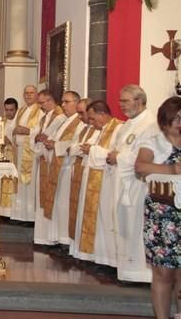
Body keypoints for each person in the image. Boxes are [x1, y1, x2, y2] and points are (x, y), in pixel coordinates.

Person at [134, 97, 181, 319]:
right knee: (164, 271)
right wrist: (172, 169)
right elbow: (141, 166)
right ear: (164, 121)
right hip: (163, 215)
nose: (180, 122)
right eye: (176, 118)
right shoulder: (153, 142)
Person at [111, 85, 157, 283]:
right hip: (124, 182)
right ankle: (128, 270)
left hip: (139, 185)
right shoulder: (128, 124)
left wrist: (118, 157)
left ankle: (142, 273)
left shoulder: (150, 124)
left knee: (137, 226)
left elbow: (147, 156)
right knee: (125, 226)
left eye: (125, 101)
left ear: (139, 101)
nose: (121, 105)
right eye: (121, 101)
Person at [72, 100, 122, 266]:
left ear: (102, 114)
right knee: (98, 222)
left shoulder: (119, 128)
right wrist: (89, 149)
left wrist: (92, 150)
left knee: (106, 221)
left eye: (93, 118)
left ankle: (109, 260)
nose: (91, 122)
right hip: (94, 179)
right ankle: (97, 257)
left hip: (107, 181)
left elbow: (116, 155)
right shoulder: (100, 130)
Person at [35, 90, 84, 249]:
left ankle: (66, 241)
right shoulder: (64, 120)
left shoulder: (80, 122)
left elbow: (76, 143)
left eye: (66, 102)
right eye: (62, 101)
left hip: (69, 168)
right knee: (59, 205)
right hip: (58, 166)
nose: (62, 105)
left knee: (65, 205)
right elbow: (55, 138)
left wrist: (54, 145)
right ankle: (59, 239)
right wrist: (49, 143)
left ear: (77, 102)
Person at [31, 89, 67, 246]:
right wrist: (38, 139)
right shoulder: (45, 117)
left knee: (51, 200)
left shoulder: (59, 117)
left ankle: (48, 238)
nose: (39, 105)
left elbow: (48, 137)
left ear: (50, 100)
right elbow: (39, 137)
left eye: (41, 102)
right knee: (42, 199)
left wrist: (40, 139)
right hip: (43, 159)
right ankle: (42, 237)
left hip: (52, 160)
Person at [67, 98, 99, 249]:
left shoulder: (98, 129)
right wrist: (80, 148)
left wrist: (82, 148)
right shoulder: (84, 128)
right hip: (80, 170)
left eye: (82, 113)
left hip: (93, 175)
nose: (79, 117)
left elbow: (85, 148)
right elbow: (73, 148)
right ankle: (77, 249)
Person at [10, 85, 44, 223]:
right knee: (20, 184)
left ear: (36, 94)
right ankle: (19, 214)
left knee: (29, 184)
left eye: (31, 93)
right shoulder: (22, 110)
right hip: (20, 151)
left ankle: (30, 216)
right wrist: (15, 131)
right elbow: (13, 127)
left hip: (31, 152)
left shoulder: (40, 111)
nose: (29, 95)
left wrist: (28, 131)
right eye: (26, 93)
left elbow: (41, 129)